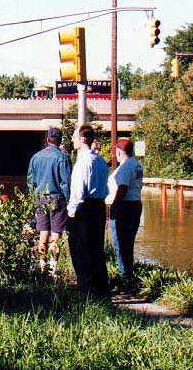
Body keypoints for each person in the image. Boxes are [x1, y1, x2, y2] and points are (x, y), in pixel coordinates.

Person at [67, 125, 109, 298]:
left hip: (84, 209)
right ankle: (100, 290)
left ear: (83, 139)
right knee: (96, 249)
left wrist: (71, 211)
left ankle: (86, 291)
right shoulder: (100, 161)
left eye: (74, 136)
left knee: (80, 250)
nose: (72, 139)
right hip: (99, 207)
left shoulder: (83, 162)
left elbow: (78, 191)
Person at [27, 127, 72, 277]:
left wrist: (35, 198)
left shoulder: (35, 157)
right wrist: (69, 201)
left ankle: (42, 268)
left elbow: (30, 181)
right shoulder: (63, 157)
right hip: (57, 199)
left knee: (43, 234)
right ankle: (53, 270)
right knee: (56, 235)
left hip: (40, 199)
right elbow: (65, 182)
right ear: (60, 141)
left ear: (47, 140)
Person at [108, 138, 144, 289]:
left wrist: (114, 208)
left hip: (124, 207)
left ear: (118, 151)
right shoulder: (136, 164)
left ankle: (124, 279)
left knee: (119, 244)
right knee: (128, 244)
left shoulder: (125, 167)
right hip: (135, 205)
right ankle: (129, 276)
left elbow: (122, 188)